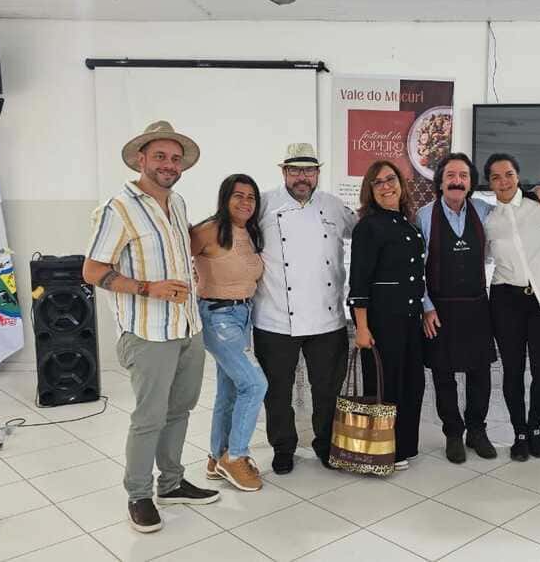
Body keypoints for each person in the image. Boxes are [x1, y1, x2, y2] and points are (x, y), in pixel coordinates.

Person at [84, 121, 219, 534]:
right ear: (141, 159)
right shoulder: (118, 208)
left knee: (180, 409)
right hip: (147, 333)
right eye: (160, 156)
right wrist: (148, 288)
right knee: (149, 417)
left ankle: (172, 483)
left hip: (187, 327)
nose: (169, 164)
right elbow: (92, 270)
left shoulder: (177, 203)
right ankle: (139, 494)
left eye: (175, 158)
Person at [416, 153, 540, 464]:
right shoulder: (424, 216)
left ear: (471, 183)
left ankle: (477, 431)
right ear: (440, 181)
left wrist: (535, 191)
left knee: (480, 373)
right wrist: (426, 306)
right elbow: (414, 267)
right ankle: (454, 433)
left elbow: (511, 204)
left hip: (477, 305)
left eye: (464, 176)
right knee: (443, 375)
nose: (457, 181)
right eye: (451, 175)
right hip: (439, 308)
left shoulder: (484, 210)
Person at [252, 143, 357, 475]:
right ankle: (283, 448)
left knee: (327, 390)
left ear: (317, 173)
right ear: (284, 172)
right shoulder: (263, 204)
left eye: (309, 170)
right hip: (274, 318)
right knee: (277, 392)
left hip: (328, 319)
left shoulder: (334, 205)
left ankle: (325, 445)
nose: (302, 177)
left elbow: (366, 232)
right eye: (295, 170)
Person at [483, 154, 540, 462]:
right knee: (513, 372)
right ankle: (519, 432)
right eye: (495, 177)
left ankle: (535, 427)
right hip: (505, 301)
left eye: (508, 174)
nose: (503, 181)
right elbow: (483, 258)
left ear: (518, 175)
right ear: (489, 183)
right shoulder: (489, 220)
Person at [347, 161, 426, 471]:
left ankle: (404, 445)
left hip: (411, 319)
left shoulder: (409, 225)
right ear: (370, 190)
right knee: (384, 385)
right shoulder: (368, 227)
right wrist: (361, 327)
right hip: (382, 321)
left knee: (412, 384)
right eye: (377, 182)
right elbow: (359, 282)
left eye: (390, 179)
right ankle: (383, 449)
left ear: (401, 184)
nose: (385, 186)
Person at [190, 174, 267, 492]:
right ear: (225, 198)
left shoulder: (251, 232)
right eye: (239, 195)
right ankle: (235, 456)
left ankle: (216, 456)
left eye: (251, 197)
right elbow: (176, 258)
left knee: (230, 390)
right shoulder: (208, 230)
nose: (246, 202)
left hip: (243, 316)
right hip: (218, 316)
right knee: (255, 384)